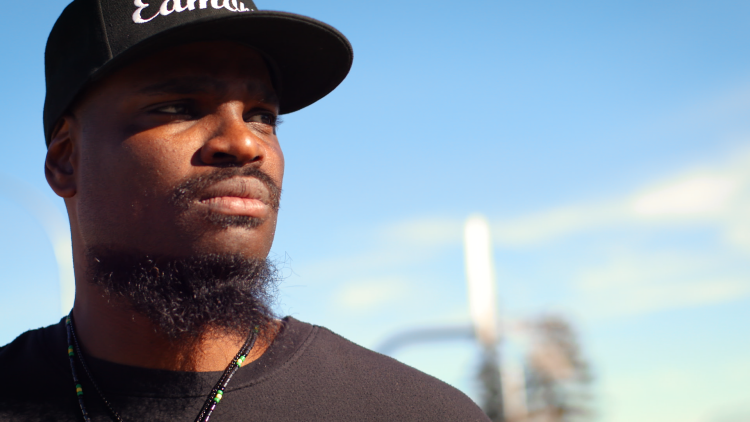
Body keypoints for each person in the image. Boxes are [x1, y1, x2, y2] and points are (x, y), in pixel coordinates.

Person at [0, 1, 491, 421]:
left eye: (263, 116)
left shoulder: (413, 412)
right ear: (67, 159)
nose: (244, 142)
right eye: (179, 107)